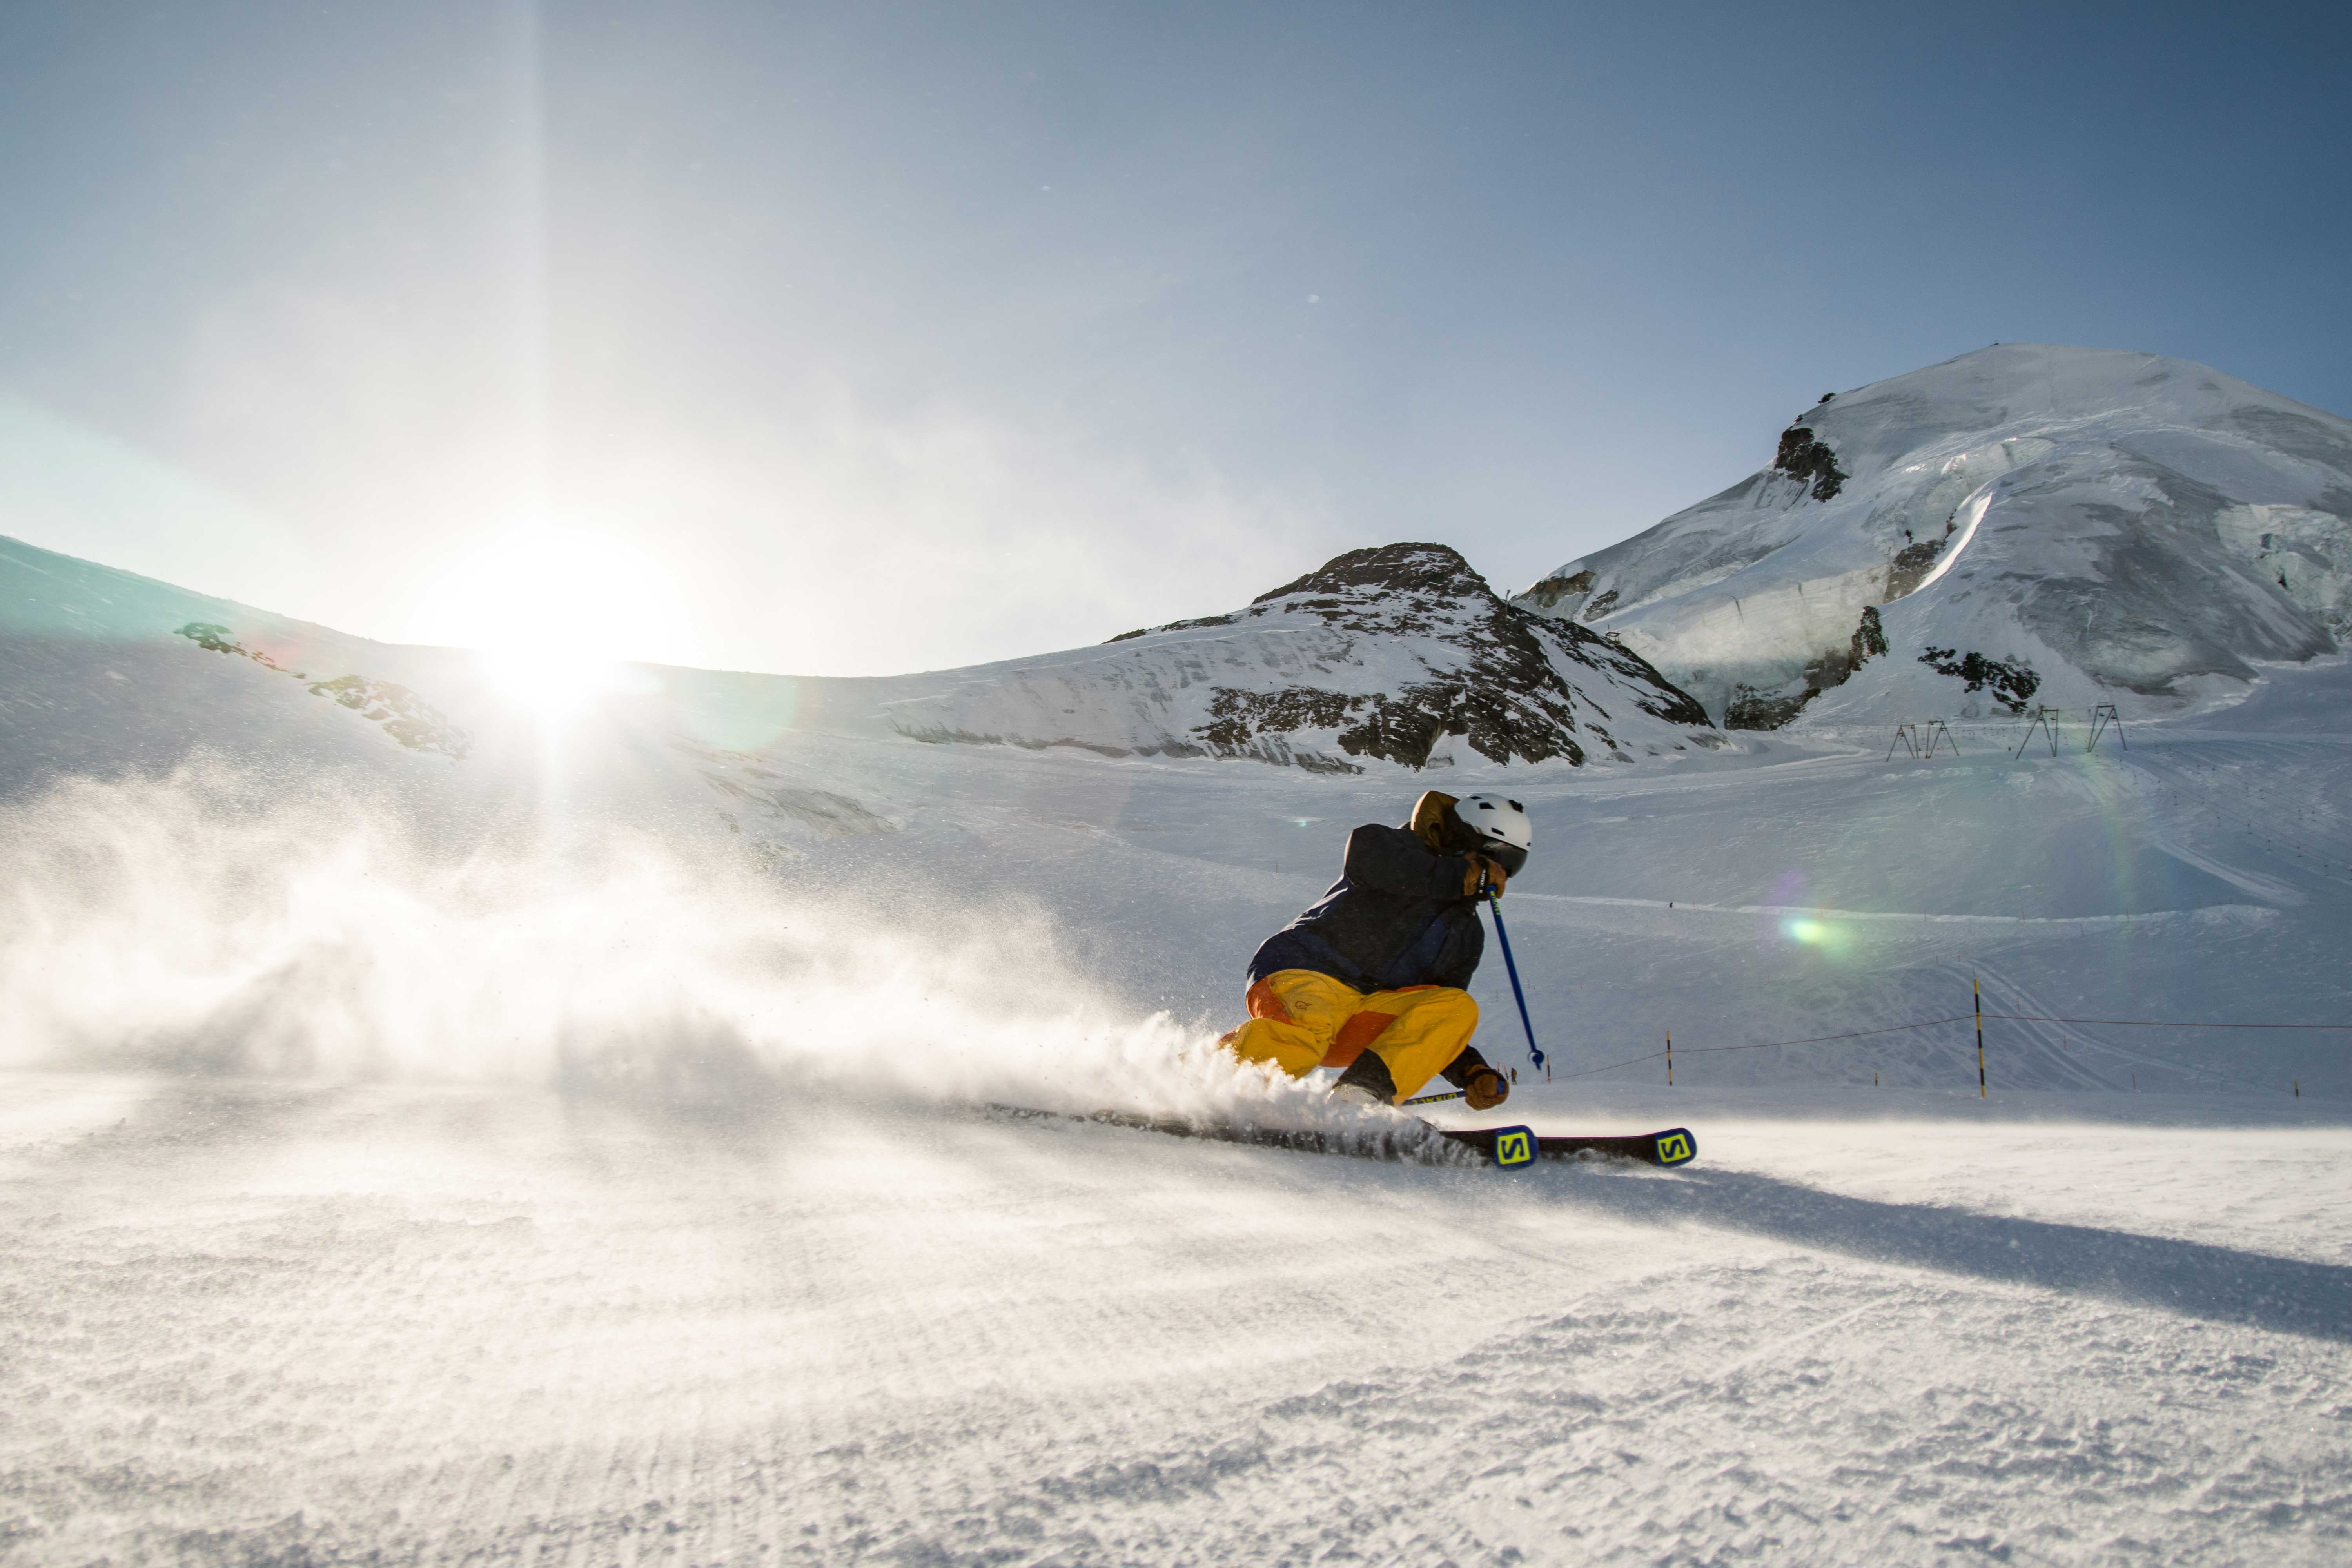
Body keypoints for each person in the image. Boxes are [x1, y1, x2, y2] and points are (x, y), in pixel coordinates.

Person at [1220, 791, 1533, 1109]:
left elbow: (1427, 1020)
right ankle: (1212, 1085)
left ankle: (1359, 1099)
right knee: (1307, 1030)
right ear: (1460, 838)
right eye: (1497, 856)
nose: (1501, 873)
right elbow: (1370, 863)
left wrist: (1470, 1071)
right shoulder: (1391, 848)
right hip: (1308, 971)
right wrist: (1458, 877)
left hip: (1363, 1013)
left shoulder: (1466, 932)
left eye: (1513, 865)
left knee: (1457, 1005)